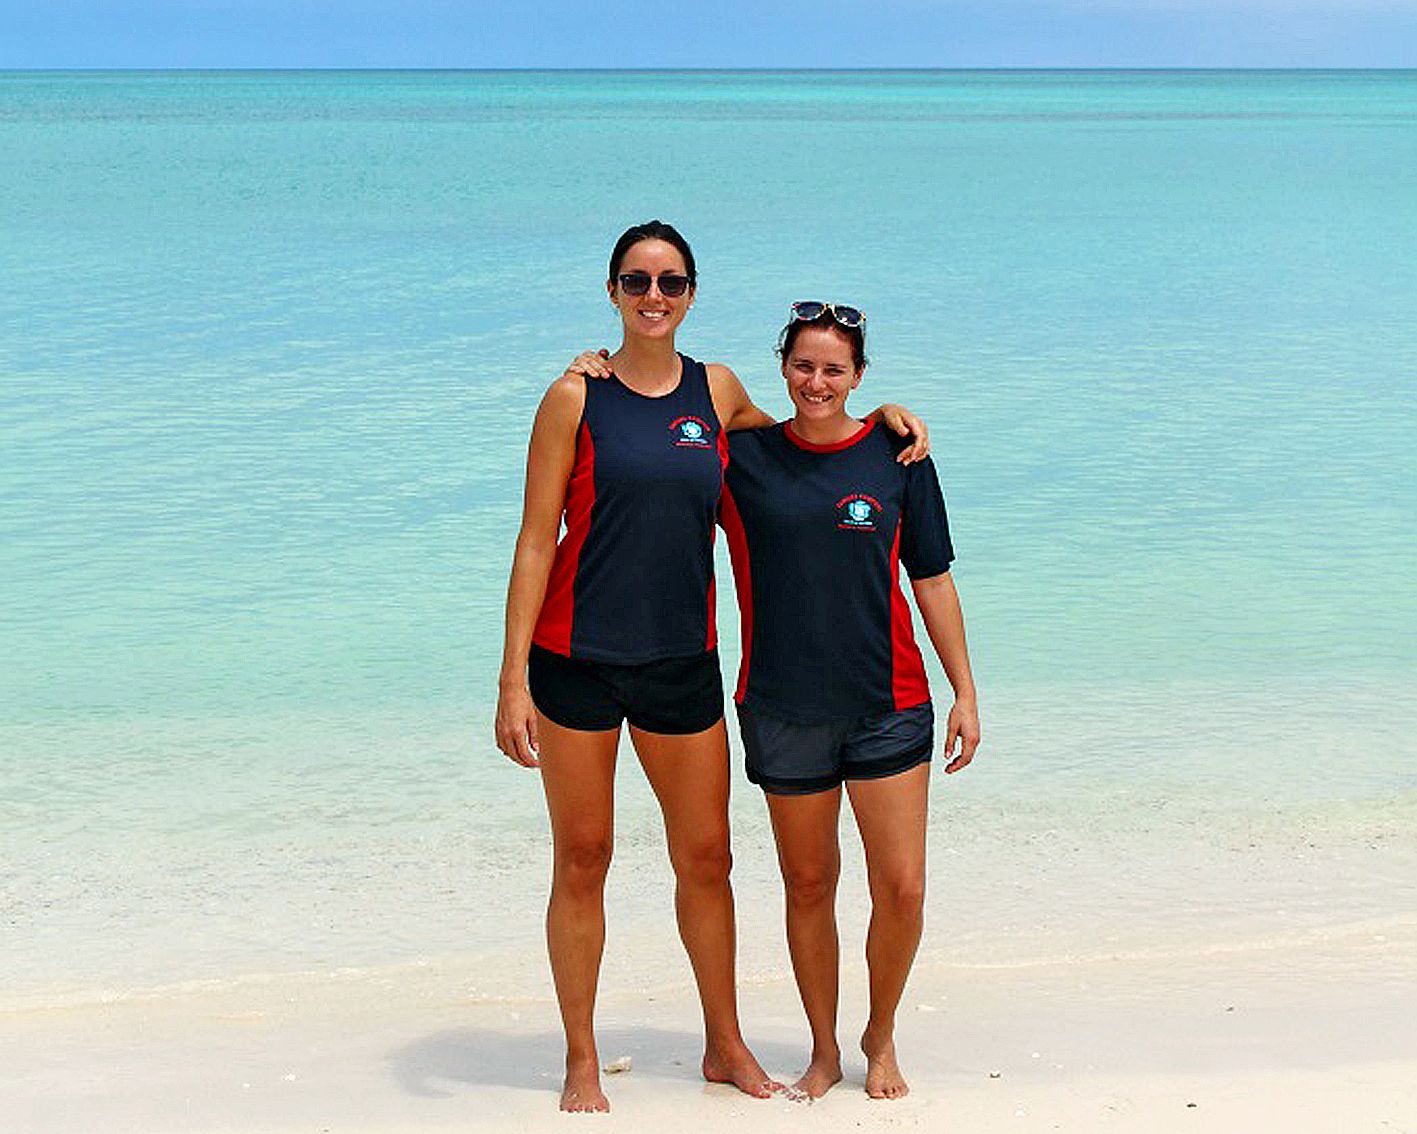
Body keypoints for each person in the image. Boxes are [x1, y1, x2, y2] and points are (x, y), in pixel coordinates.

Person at [494, 222, 927, 1113]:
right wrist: (510, 683)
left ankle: (722, 1046)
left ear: (692, 292)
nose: (654, 296)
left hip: (682, 664)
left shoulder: (717, 389)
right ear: (612, 290)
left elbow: (809, 446)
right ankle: (581, 1056)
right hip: (572, 660)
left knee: (708, 861)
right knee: (583, 858)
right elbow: (537, 540)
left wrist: (885, 423)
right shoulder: (573, 398)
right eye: (636, 279)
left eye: (671, 281)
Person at [718, 302, 981, 1101]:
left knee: (900, 886)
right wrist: (594, 365)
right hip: (781, 706)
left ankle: (881, 1032)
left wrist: (965, 691)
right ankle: (825, 1049)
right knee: (809, 885)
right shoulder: (742, 460)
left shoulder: (898, 456)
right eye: (803, 365)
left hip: (889, 701)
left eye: (834, 369)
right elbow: (660, 423)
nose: (817, 381)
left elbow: (930, 579)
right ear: (782, 368)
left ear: (859, 377)